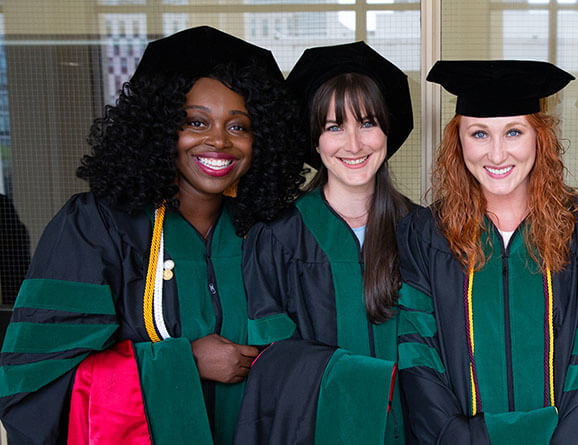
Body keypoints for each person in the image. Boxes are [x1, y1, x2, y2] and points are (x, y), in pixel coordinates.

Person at [0, 26, 302, 444]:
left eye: (239, 126)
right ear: (158, 128)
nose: (218, 140)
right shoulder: (96, 227)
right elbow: (39, 378)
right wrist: (183, 362)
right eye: (196, 122)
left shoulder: (272, 231)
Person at [396, 60, 578, 443]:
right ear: (459, 141)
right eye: (479, 134)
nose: (497, 154)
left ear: (539, 138)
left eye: (513, 132)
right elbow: (419, 358)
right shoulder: (425, 234)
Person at [235, 41, 415, 444]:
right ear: (314, 140)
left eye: (367, 123)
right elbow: (271, 362)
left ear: (388, 131)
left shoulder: (421, 233)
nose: (353, 144)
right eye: (334, 127)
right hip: (317, 430)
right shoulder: (278, 238)